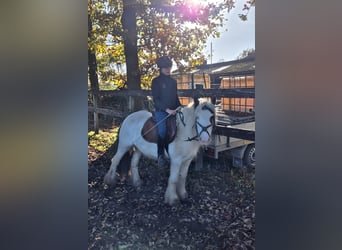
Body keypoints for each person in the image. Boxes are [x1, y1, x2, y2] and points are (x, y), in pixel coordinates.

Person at [151, 56, 182, 167]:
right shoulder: (156, 81)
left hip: (174, 110)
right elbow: (156, 99)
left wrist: (180, 106)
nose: (168, 69)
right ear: (160, 68)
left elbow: (175, 96)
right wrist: (167, 109)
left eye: (169, 67)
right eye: (165, 68)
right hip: (161, 111)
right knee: (162, 131)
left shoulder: (173, 82)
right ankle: (161, 155)